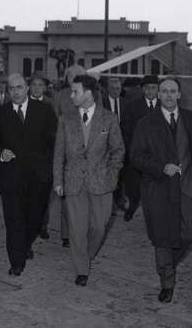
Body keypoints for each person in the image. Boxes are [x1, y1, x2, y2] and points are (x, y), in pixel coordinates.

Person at [130, 77, 192, 303]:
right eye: (164, 91)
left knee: (189, 232)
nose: (168, 95)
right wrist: (160, 167)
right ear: (158, 94)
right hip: (159, 188)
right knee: (163, 236)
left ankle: (168, 264)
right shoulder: (145, 124)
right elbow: (136, 155)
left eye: (172, 91)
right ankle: (166, 282)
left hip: (189, 186)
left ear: (179, 94)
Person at [53, 74, 124, 287]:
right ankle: (82, 269)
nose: (71, 96)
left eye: (75, 91)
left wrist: (111, 174)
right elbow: (58, 153)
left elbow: (118, 150)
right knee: (76, 229)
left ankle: (87, 253)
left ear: (88, 93)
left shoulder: (109, 118)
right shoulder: (65, 120)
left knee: (99, 227)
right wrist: (58, 180)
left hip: (101, 181)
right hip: (73, 180)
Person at [0, 73, 57, 276]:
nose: (15, 92)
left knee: (34, 217)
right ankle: (17, 260)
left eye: (19, 87)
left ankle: (26, 243)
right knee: (14, 218)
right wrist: (1, 152)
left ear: (27, 88)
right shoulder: (1, 113)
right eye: (11, 88)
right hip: (11, 174)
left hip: (38, 174)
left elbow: (54, 140)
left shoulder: (44, 110)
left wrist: (47, 164)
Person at [51, 64, 86, 248]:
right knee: (66, 194)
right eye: (71, 76)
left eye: (78, 76)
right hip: (66, 152)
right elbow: (52, 123)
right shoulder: (59, 97)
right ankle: (66, 233)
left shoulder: (94, 96)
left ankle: (82, 232)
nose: (74, 78)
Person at [120, 74, 160, 222]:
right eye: (147, 88)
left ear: (158, 89)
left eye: (153, 88)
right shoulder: (131, 105)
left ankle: (155, 213)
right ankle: (132, 207)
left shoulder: (165, 106)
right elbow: (124, 125)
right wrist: (141, 129)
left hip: (158, 154)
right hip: (137, 152)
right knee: (135, 184)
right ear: (143, 89)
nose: (150, 91)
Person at [27, 70, 53, 240]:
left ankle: (42, 225)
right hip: (26, 158)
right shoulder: (22, 102)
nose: (37, 88)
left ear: (45, 88)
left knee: (43, 195)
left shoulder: (51, 104)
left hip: (44, 158)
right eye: (34, 85)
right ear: (29, 87)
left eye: (40, 85)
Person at [102, 77, 128, 211]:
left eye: (117, 88)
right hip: (104, 144)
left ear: (121, 89)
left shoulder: (125, 103)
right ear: (107, 89)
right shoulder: (101, 102)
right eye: (112, 89)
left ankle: (119, 200)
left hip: (120, 144)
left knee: (120, 173)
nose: (115, 91)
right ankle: (106, 202)